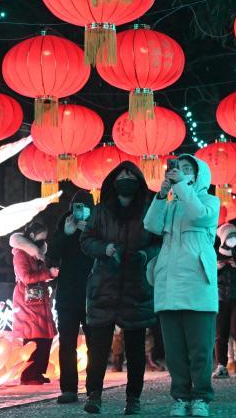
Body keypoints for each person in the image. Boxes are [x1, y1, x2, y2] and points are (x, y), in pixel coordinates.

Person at [80, 162, 160, 416]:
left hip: (136, 285)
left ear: (138, 182)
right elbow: (86, 240)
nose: (126, 181)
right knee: (98, 347)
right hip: (104, 284)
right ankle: (94, 394)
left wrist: (144, 255)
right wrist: (104, 249)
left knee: (135, 348)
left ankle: (133, 398)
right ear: (113, 182)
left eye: (131, 177)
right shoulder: (100, 211)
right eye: (122, 177)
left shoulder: (148, 211)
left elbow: (158, 241)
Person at [144, 155, 220, 417]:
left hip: (198, 285)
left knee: (200, 349)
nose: (181, 172)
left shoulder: (209, 201)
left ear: (199, 176)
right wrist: (161, 195)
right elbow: (150, 225)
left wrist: (182, 187)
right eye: (179, 168)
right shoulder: (172, 204)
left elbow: (200, 216)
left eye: (188, 169)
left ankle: (201, 397)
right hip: (169, 284)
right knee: (174, 351)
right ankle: (180, 397)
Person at [45, 186, 95, 404]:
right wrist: (67, 233)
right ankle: (69, 389)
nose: (79, 211)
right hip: (67, 295)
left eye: (84, 207)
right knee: (67, 343)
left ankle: (94, 388)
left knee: (95, 343)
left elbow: (102, 252)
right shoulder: (64, 227)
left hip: (93, 293)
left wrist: (89, 232)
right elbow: (52, 255)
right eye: (76, 207)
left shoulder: (97, 226)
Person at [10, 221, 58, 385]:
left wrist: (49, 273)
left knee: (45, 336)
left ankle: (38, 372)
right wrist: (48, 273)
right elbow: (26, 278)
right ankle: (28, 375)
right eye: (40, 237)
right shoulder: (21, 254)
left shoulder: (38, 254)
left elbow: (40, 274)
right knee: (33, 337)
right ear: (31, 235)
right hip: (27, 300)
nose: (42, 241)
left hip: (39, 299)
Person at [213, 222, 236, 379]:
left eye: (234, 236)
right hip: (220, 298)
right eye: (229, 236)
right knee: (221, 333)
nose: (232, 239)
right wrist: (218, 268)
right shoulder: (215, 254)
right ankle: (221, 365)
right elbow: (207, 274)